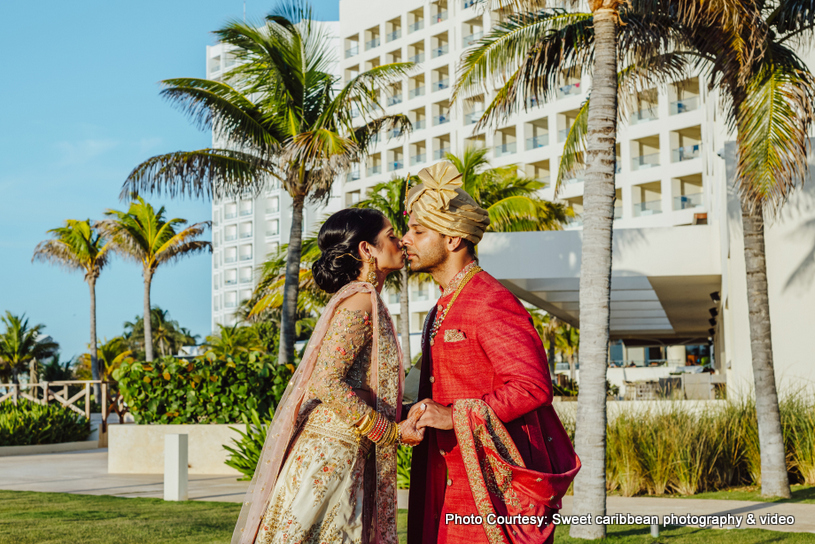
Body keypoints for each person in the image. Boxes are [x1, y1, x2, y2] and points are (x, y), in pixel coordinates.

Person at [401, 161, 580, 544]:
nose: (405, 240)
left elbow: (532, 387)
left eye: (417, 231)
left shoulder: (490, 301)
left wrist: (454, 416)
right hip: (448, 472)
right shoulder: (444, 305)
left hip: (489, 480)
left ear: (452, 240)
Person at [233, 208, 424, 544]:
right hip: (330, 454)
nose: (400, 242)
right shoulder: (360, 299)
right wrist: (389, 431)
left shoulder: (366, 299)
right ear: (368, 249)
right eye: (391, 236)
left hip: (341, 448)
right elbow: (326, 382)